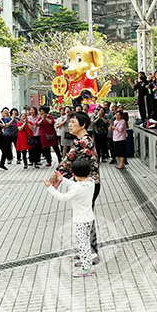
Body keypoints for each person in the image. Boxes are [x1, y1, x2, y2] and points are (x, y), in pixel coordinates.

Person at [49, 112, 101, 262]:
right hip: (86, 185)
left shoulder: (83, 142)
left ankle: (91, 253)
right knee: (84, 217)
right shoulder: (82, 140)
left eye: (72, 122)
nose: (69, 125)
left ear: (83, 125)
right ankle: (87, 250)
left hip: (88, 186)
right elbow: (68, 162)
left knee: (85, 218)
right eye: (69, 122)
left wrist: (56, 176)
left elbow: (68, 161)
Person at [44, 159, 97, 277]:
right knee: (85, 243)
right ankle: (86, 264)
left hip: (80, 220)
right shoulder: (91, 182)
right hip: (89, 218)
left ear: (73, 174)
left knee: (82, 245)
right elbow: (76, 184)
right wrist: (63, 180)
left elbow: (63, 197)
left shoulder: (77, 188)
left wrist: (50, 188)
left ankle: (85, 269)